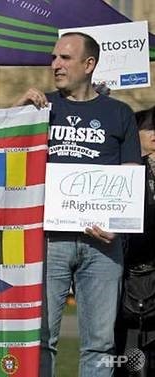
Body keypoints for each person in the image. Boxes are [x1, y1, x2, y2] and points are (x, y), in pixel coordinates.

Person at [14, 32, 141, 377]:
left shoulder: (120, 113)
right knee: (39, 338)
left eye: (65, 58)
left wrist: (118, 224)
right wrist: (17, 109)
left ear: (89, 65)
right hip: (47, 242)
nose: (55, 64)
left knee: (100, 343)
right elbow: (0, 151)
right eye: (54, 57)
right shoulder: (39, 109)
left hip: (101, 243)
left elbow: (130, 177)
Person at [115, 105, 155, 377]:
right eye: (149, 128)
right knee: (124, 351)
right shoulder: (125, 170)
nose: (154, 135)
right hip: (125, 268)